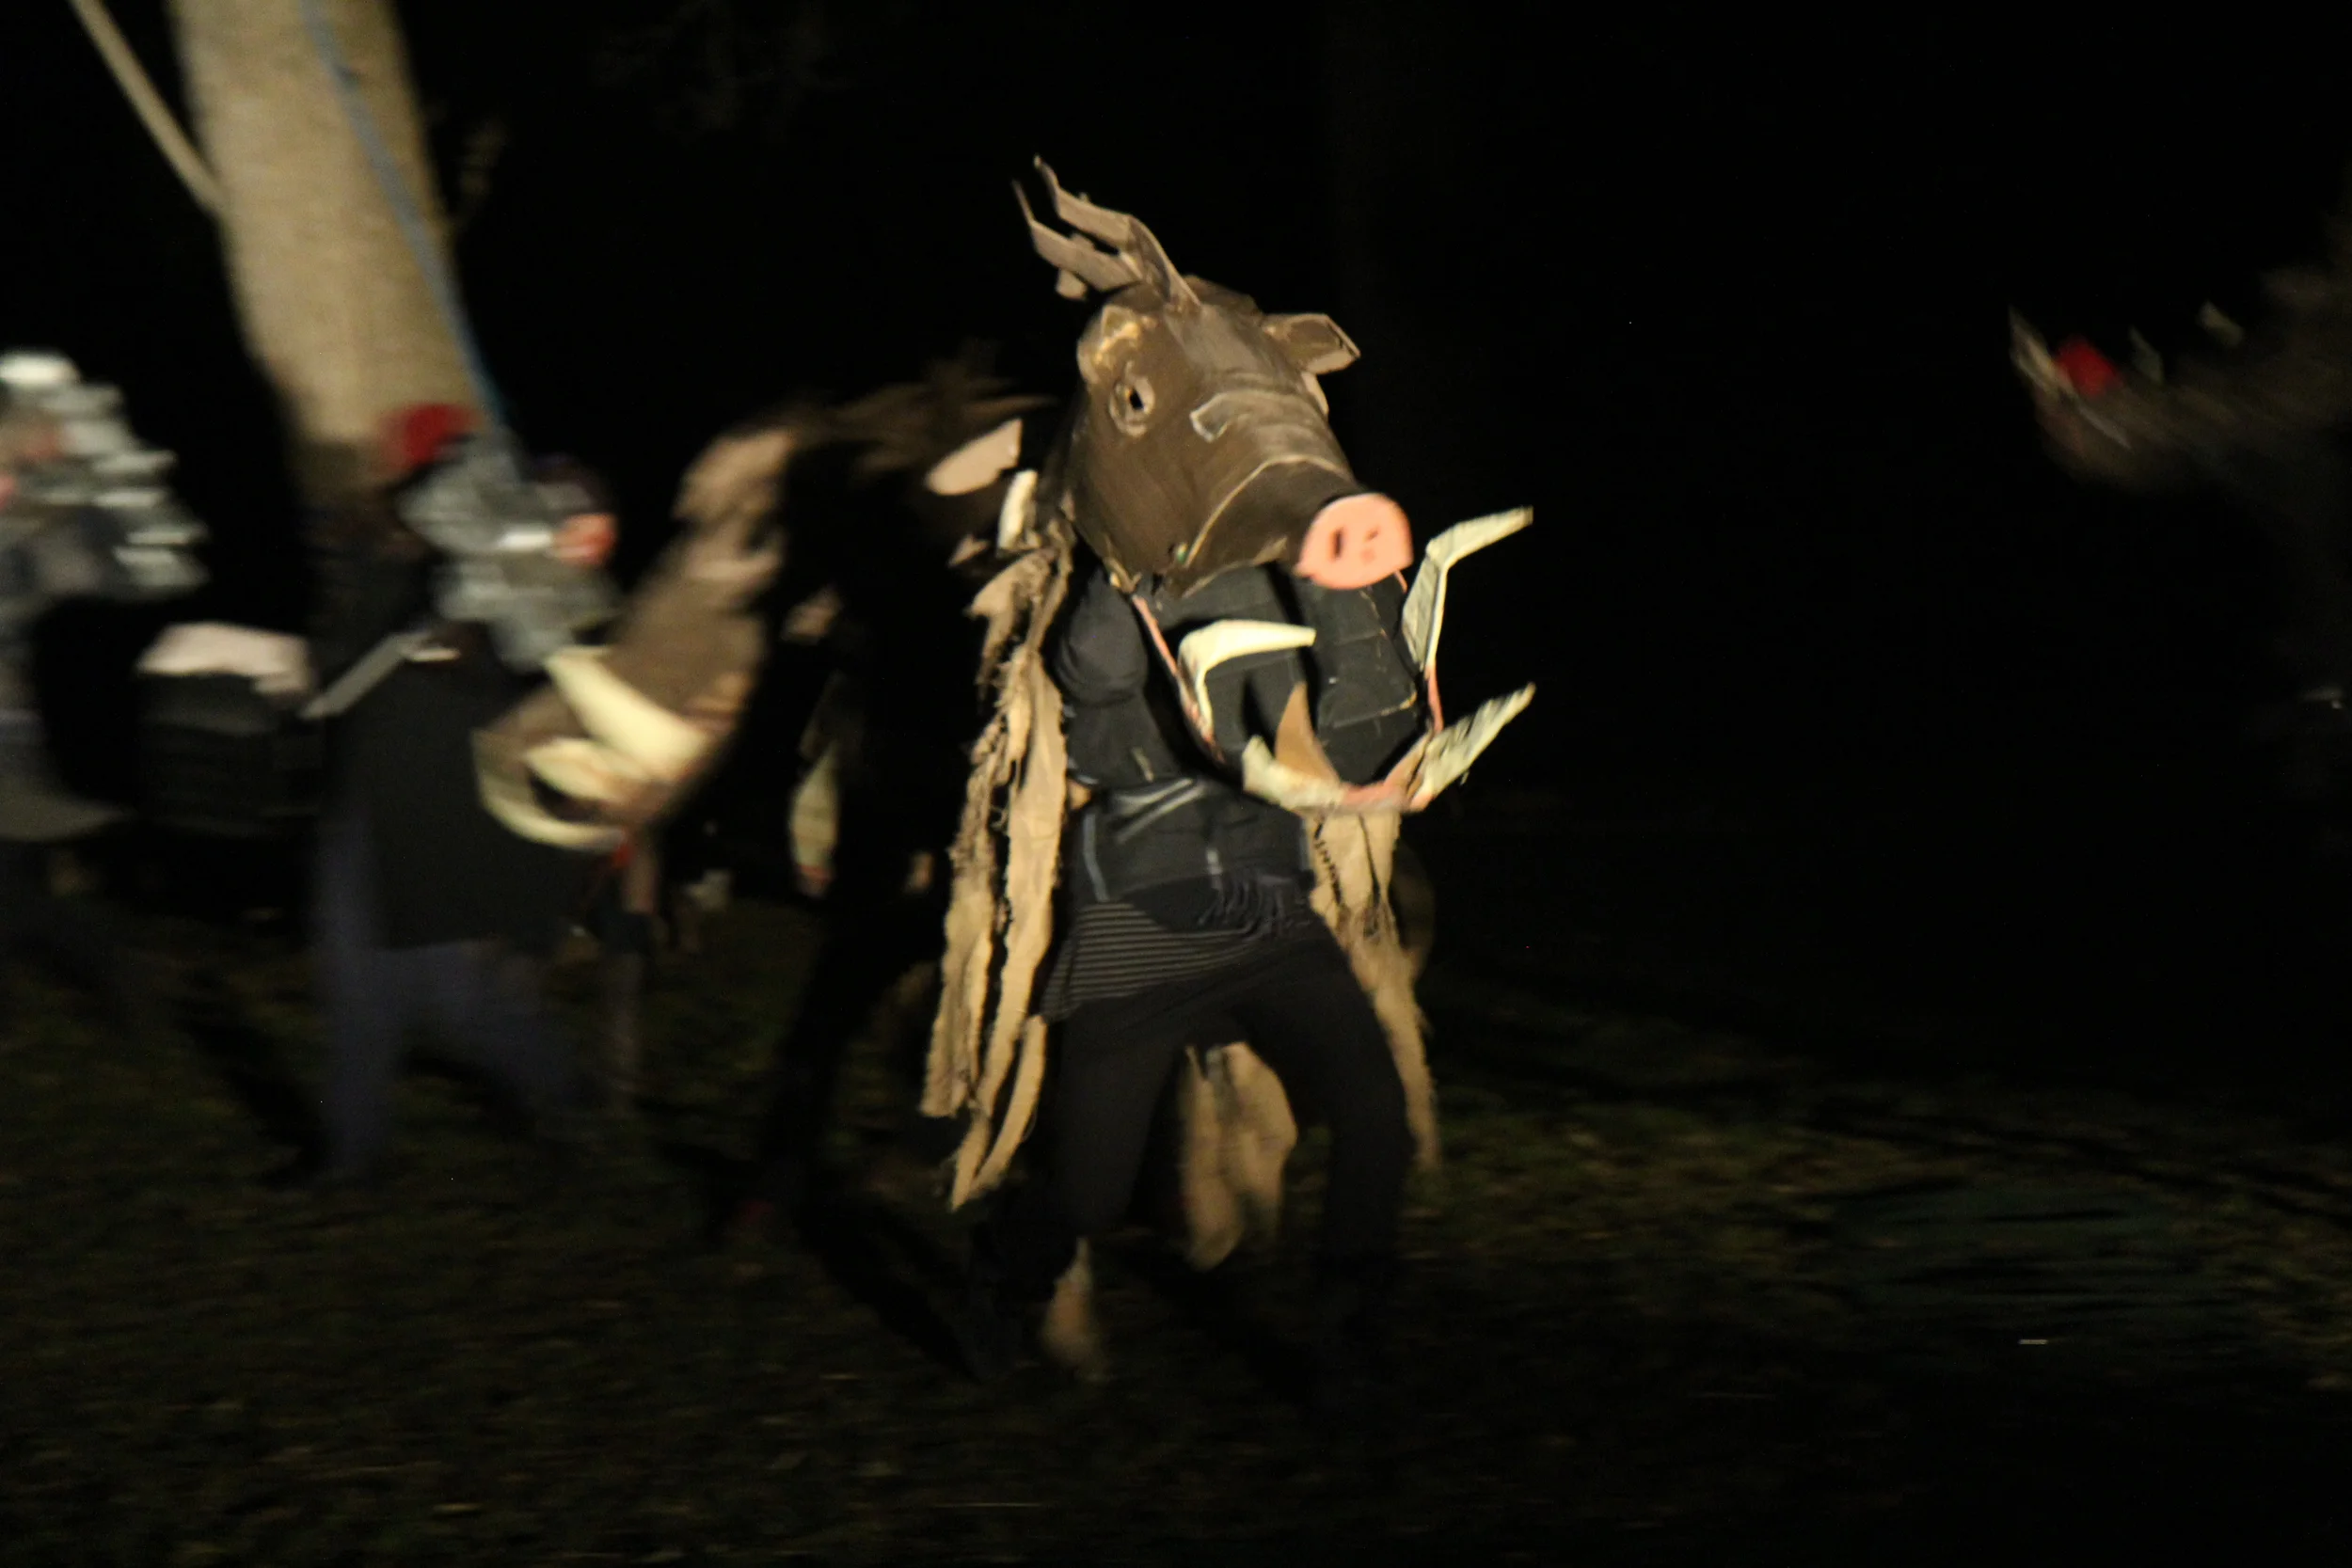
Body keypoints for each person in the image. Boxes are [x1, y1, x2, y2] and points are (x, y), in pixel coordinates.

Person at [957, 546, 1419, 1420]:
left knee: (1376, 1112)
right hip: (1140, 929)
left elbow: (1357, 723)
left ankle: (1347, 1340)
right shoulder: (1114, 581)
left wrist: (1335, 577)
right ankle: (1006, 1267)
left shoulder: (1283, 581)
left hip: (1268, 919)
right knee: (1088, 1193)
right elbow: (1095, 675)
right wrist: (1130, 561)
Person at [281, 405, 619, 1187]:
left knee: (452, 994)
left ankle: (564, 1095)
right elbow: (343, 661)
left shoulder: (504, 565)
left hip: (443, 805)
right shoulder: (382, 554)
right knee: (351, 981)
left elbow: (529, 661)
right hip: (364, 796)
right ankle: (353, 1150)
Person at [0, 354, 199, 1040]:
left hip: (12, 728)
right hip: (20, 726)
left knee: (15, 891)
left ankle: (124, 977)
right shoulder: (36, 525)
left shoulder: (51, 530)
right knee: (15, 881)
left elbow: (148, 574)